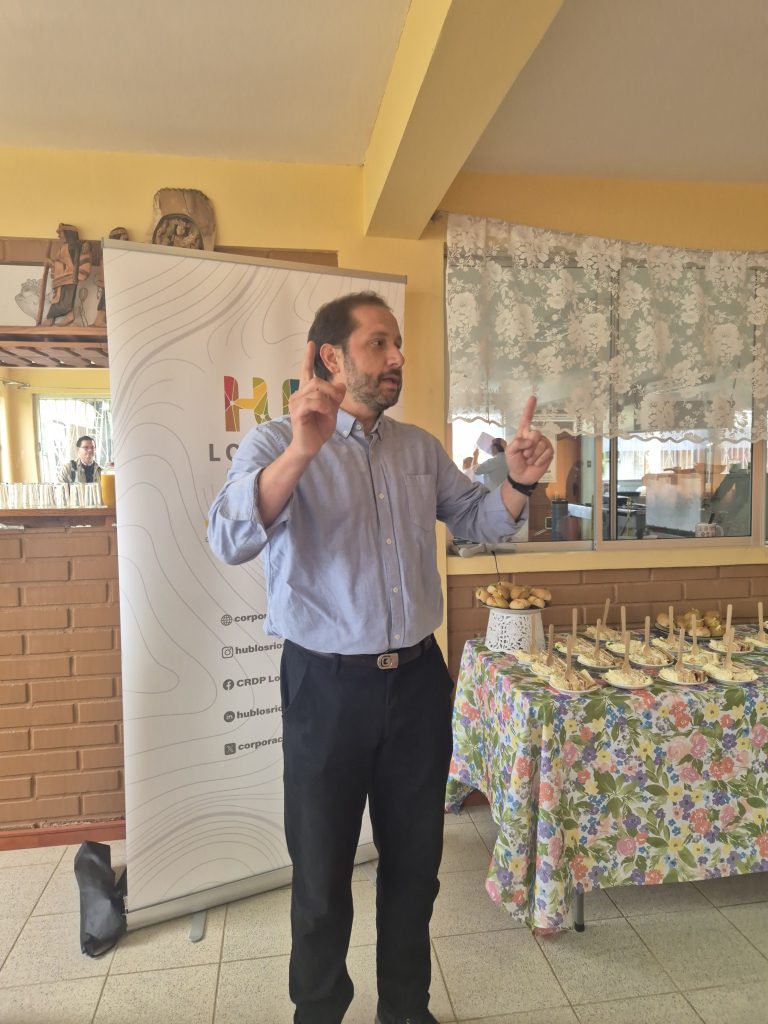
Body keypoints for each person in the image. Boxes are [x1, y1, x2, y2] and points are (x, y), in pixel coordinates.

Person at [207, 292, 553, 1024]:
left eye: (397, 344)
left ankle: (405, 1010)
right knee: (321, 877)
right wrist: (304, 449)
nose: (397, 357)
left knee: (415, 871)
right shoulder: (274, 443)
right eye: (378, 344)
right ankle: (318, 1012)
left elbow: (478, 520)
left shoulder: (418, 448)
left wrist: (518, 484)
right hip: (326, 688)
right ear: (330, 357)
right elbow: (230, 539)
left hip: (418, 685)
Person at [43, 223, 93, 327]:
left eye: (61, 233)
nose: (59, 236)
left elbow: (76, 263)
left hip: (71, 276)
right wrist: (52, 263)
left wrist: (51, 263)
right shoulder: (63, 247)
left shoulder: (76, 246)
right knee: (60, 297)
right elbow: (60, 263)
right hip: (64, 277)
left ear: (68, 234)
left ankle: (53, 318)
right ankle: (67, 315)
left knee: (64, 300)